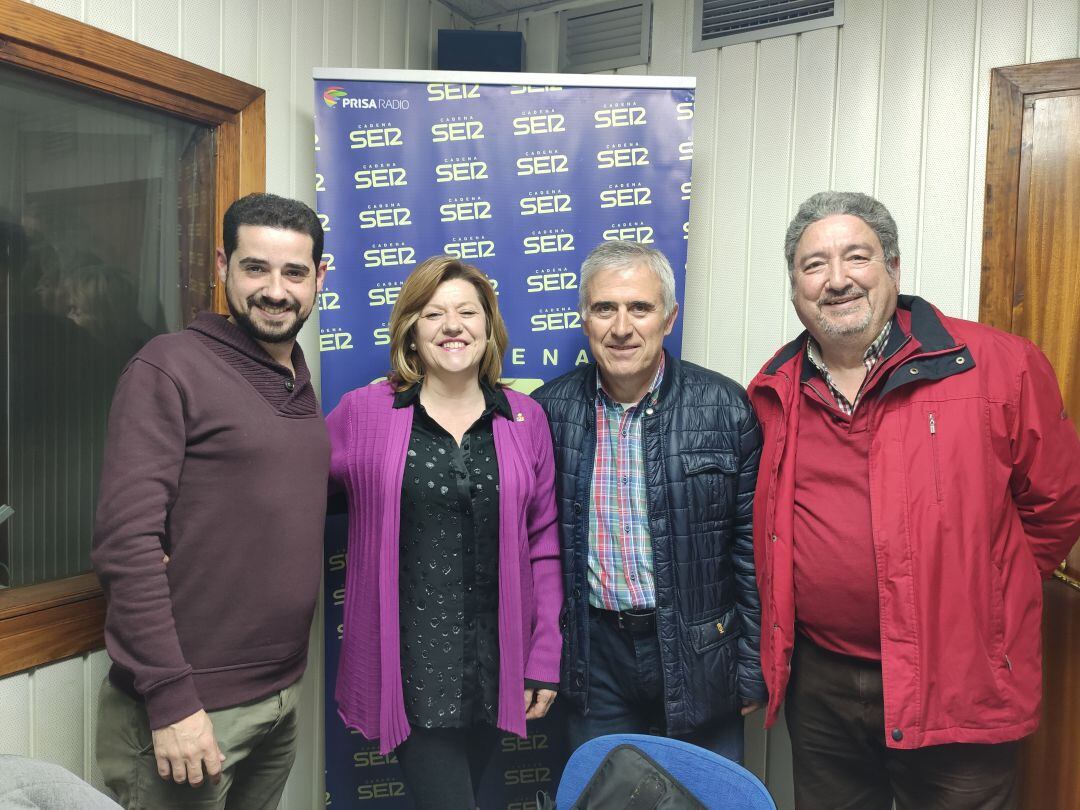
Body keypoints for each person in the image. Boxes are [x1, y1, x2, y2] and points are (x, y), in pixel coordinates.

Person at [748, 191, 1080, 809]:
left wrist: (985, 594)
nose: (837, 279)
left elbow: (1057, 505)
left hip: (958, 678)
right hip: (822, 686)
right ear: (795, 286)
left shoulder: (997, 366)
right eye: (814, 264)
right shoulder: (774, 389)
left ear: (894, 268)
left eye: (857, 257)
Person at [91, 193, 330, 809]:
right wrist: (171, 699)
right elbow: (126, 544)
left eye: (294, 272)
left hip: (278, 697)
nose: (275, 290)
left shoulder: (294, 377)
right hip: (189, 709)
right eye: (255, 268)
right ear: (223, 265)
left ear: (319, 278)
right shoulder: (169, 366)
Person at [326, 256, 562, 810]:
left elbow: (544, 544)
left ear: (488, 326)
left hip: (494, 668)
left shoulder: (525, 419)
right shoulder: (364, 413)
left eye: (467, 312)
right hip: (410, 672)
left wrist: (543, 655)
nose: (452, 326)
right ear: (411, 329)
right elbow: (290, 486)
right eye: (433, 314)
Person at [531, 241, 765, 762]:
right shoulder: (546, 413)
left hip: (701, 652)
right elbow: (533, 553)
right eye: (604, 308)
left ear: (669, 317)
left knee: (704, 793)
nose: (621, 327)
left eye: (639, 307)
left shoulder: (724, 407)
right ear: (584, 318)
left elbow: (750, 548)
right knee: (604, 792)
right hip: (595, 658)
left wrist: (752, 665)